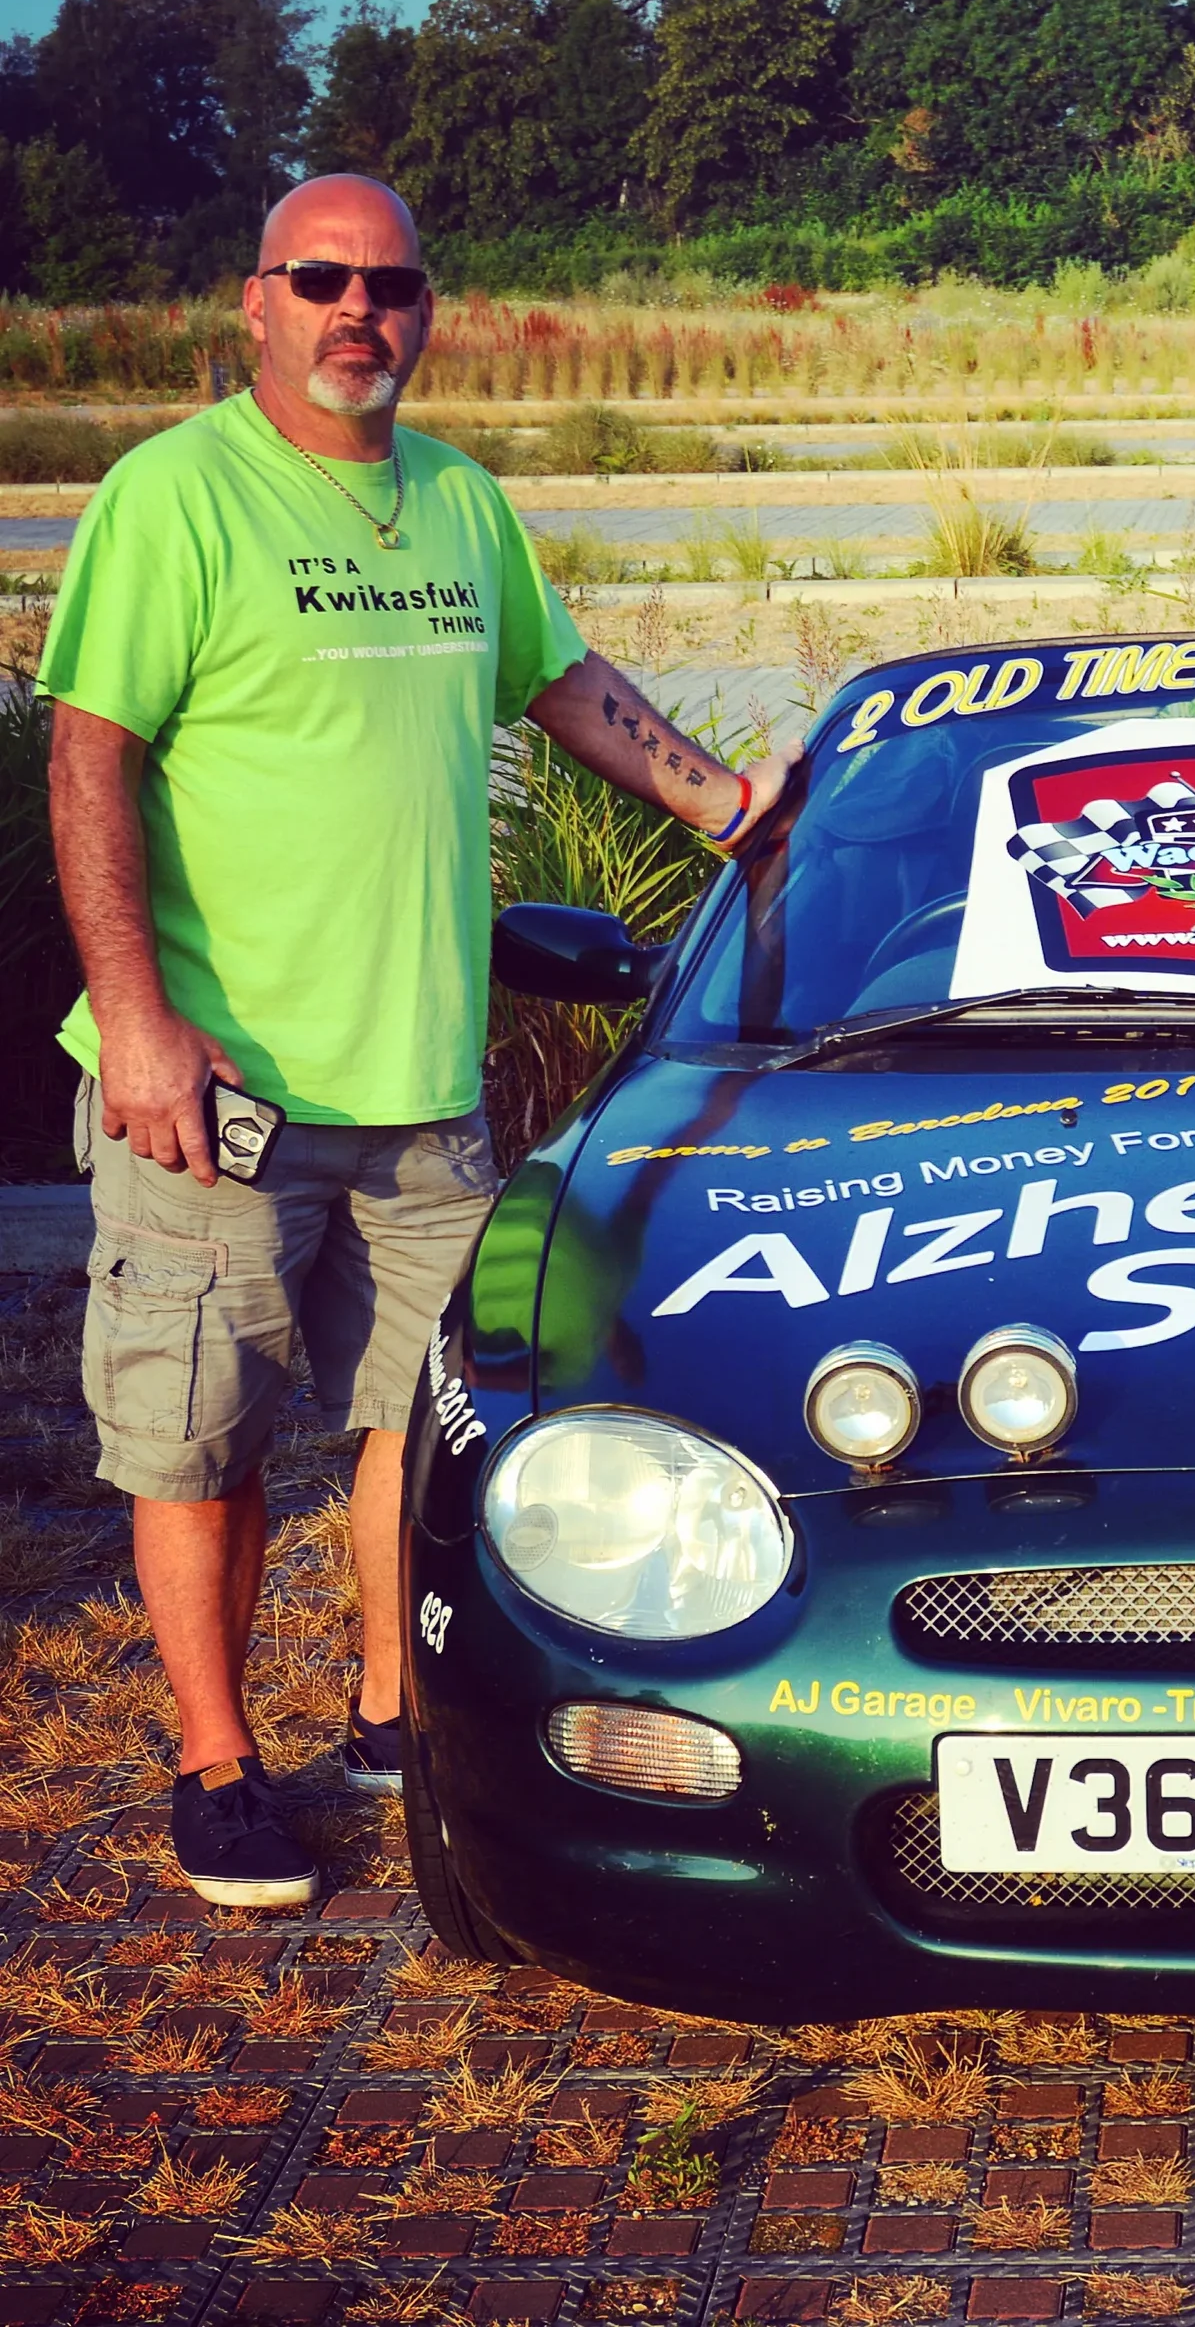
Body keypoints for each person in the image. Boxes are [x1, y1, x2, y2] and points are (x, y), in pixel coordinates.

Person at [41, 175, 793, 1907]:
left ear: (427, 309)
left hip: (423, 1085)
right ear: (258, 303)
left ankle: (391, 1711)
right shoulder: (178, 499)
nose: (357, 310)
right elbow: (88, 761)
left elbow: (566, 684)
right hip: (211, 1090)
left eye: (389, 284)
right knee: (201, 1434)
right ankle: (219, 1765)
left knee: (421, 1421)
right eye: (322, 279)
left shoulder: (459, 502)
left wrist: (731, 804)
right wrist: (141, 1028)